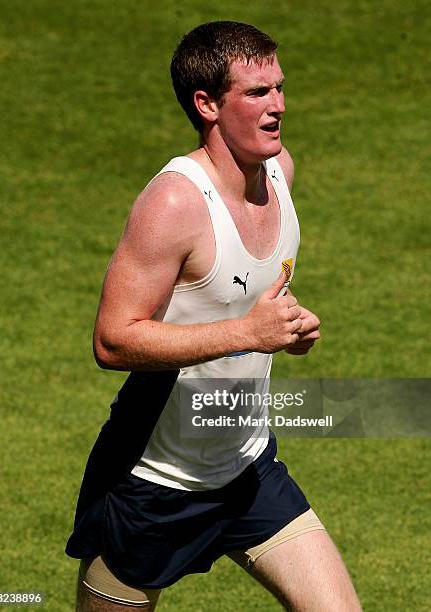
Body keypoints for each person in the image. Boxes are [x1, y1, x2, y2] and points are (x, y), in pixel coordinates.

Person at [66, 21, 361, 611]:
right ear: (207, 104)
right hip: (155, 484)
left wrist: (286, 328)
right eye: (255, 93)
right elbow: (113, 341)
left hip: (249, 469)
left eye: (278, 87)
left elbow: (247, 300)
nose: (277, 105)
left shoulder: (280, 174)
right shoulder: (175, 202)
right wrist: (247, 334)